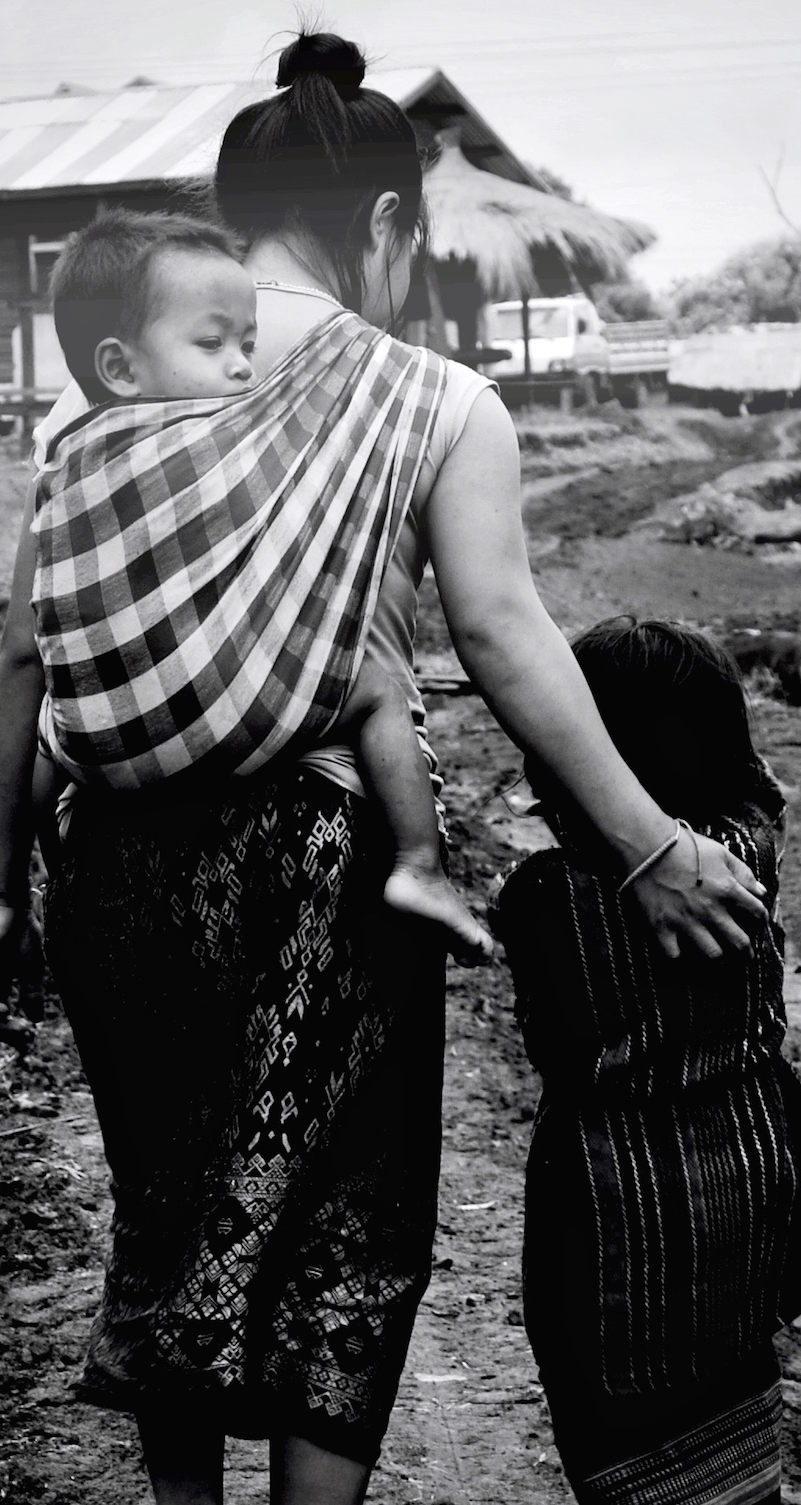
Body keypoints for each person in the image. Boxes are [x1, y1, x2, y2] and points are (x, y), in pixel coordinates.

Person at [0, 31, 767, 1505]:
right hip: (318, 864)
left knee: (166, 1193)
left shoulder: (102, 390)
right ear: (391, 225)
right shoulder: (430, 398)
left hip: (112, 863)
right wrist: (645, 841)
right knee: (350, 1227)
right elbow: (500, 635)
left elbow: (27, 652)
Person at [494, 617, 801, 1505]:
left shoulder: (546, 895)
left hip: (621, 1182)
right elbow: (760, 785)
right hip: (754, 1152)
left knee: (625, 1396)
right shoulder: (752, 846)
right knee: (734, 1362)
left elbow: (551, 1040)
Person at [31, 210, 491, 959]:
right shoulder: (229, 444)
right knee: (375, 685)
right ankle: (419, 865)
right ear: (119, 367)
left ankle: (31, 869)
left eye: (246, 344)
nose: (245, 367)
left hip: (99, 746)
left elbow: (46, 626)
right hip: (216, 719)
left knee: (52, 712)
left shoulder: (66, 458)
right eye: (213, 345)